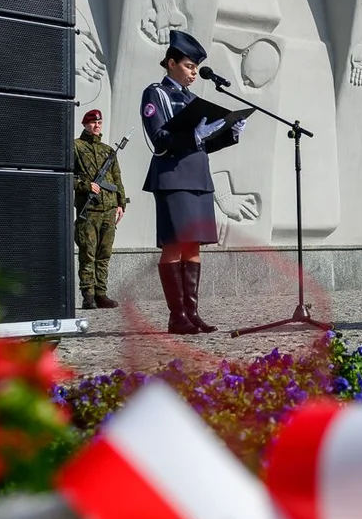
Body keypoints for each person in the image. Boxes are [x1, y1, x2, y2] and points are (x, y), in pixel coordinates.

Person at [141, 30, 248, 334]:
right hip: (173, 177)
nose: (193, 73)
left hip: (198, 176)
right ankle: (177, 317)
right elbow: (160, 138)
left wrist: (229, 131)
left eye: (194, 68)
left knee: (194, 248)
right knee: (175, 245)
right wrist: (194, 134)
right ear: (171, 62)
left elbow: (202, 144)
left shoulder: (192, 99)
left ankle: (192, 313)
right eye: (189, 66)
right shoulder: (156, 94)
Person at [74, 108, 127, 310]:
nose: (96, 126)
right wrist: (85, 185)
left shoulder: (108, 150)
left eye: (99, 123)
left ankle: (101, 293)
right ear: (85, 124)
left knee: (104, 253)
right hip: (89, 210)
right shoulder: (76, 147)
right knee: (88, 253)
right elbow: (67, 175)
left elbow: (117, 178)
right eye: (93, 122)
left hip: (109, 208)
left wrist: (121, 203)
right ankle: (88, 295)